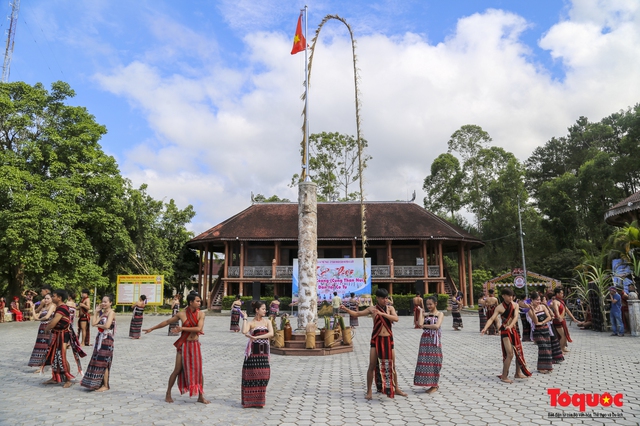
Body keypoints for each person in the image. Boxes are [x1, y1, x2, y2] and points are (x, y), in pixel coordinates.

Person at [340, 288, 408, 399]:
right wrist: (346, 310)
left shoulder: (390, 308)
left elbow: (396, 319)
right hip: (376, 339)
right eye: (382, 298)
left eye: (386, 298)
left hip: (388, 339)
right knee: (372, 365)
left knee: (392, 365)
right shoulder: (372, 309)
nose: (385, 300)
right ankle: (369, 391)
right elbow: (357, 313)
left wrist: (382, 314)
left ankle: (397, 389)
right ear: (377, 298)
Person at [143, 291, 209, 404]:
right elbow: (167, 321)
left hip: (195, 345)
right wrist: (152, 328)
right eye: (197, 301)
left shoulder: (201, 314)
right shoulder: (182, 314)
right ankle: (168, 393)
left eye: (199, 301)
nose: (199, 303)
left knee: (199, 371)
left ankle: (200, 395)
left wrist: (182, 329)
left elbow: (199, 329)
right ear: (191, 302)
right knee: (177, 369)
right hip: (184, 344)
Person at [481, 288, 531, 383]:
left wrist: (511, 326)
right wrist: (485, 328)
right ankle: (504, 376)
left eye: (512, 296)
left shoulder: (515, 305)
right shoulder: (499, 307)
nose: (510, 297)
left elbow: (516, 316)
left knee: (518, 352)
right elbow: (491, 319)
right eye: (508, 296)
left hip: (513, 330)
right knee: (510, 354)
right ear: (503, 296)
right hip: (505, 332)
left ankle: (518, 373)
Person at [42, 289, 87, 387]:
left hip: (63, 335)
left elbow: (54, 322)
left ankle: (68, 379)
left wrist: (46, 329)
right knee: (55, 357)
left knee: (62, 356)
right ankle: (55, 377)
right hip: (57, 334)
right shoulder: (59, 307)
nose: (52, 297)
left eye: (54, 296)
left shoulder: (62, 308)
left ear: (59, 298)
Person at [241, 301, 274, 408]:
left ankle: (260, 400)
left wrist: (257, 337)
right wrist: (245, 318)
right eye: (263, 309)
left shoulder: (267, 322)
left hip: (263, 353)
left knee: (264, 375)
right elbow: (244, 331)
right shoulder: (251, 323)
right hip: (253, 353)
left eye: (265, 309)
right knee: (252, 376)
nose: (265, 311)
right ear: (257, 310)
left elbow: (271, 333)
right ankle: (250, 401)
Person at [81, 294, 116, 392]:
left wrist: (98, 324)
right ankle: (98, 383)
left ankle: (106, 385)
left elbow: (107, 325)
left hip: (107, 339)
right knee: (98, 360)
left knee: (104, 361)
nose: (103, 303)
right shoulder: (103, 313)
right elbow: (93, 323)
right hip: (99, 338)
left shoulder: (111, 313)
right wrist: (96, 313)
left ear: (110, 303)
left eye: (106, 302)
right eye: (103, 301)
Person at [413, 296, 444, 393]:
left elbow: (436, 326)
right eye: (427, 304)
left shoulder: (440, 314)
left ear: (436, 304)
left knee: (435, 361)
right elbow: (419, 324)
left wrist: (425, 326)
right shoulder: (426, 314)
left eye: (430, 304)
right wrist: (421, 314)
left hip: (434, 340)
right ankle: (429, 383)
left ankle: (435, 384)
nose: (429, 306)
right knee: (425, 361)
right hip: (425, 340)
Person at [527, 292, 553, 374]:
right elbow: (535, 321)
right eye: (536, 300)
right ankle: (541, 367)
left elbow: (549, 317)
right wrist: (532, 310)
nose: (538, 301)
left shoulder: (543, 306)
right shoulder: (530, 311)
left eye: (539, 300)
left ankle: (548, 366)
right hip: (537, 331)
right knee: (543, 348)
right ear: (532, 300)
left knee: (548, 348)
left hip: (545, 329)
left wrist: (543, 322)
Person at [28, 293, 55, 370]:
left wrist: (39, 319)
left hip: (48, 328)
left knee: (47, 345)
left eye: (48, 298)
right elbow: (35, 317)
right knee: (40, 346)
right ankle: (40, 364)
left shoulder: (53, 306)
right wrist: (33, 308)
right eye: (45, 298)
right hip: (41, 328)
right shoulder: (43, 309)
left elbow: (47, 317)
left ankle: (46, 363)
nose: (46, 300)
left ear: (51, 299)